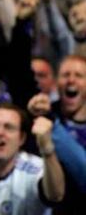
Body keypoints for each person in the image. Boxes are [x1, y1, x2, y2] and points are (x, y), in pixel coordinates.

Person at [28, 55, 86, 213]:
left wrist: (50, 121)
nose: (71, 80)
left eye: (79, 75)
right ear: (56, 83)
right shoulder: (41, 116)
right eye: (65, 75)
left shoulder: (49, 119)